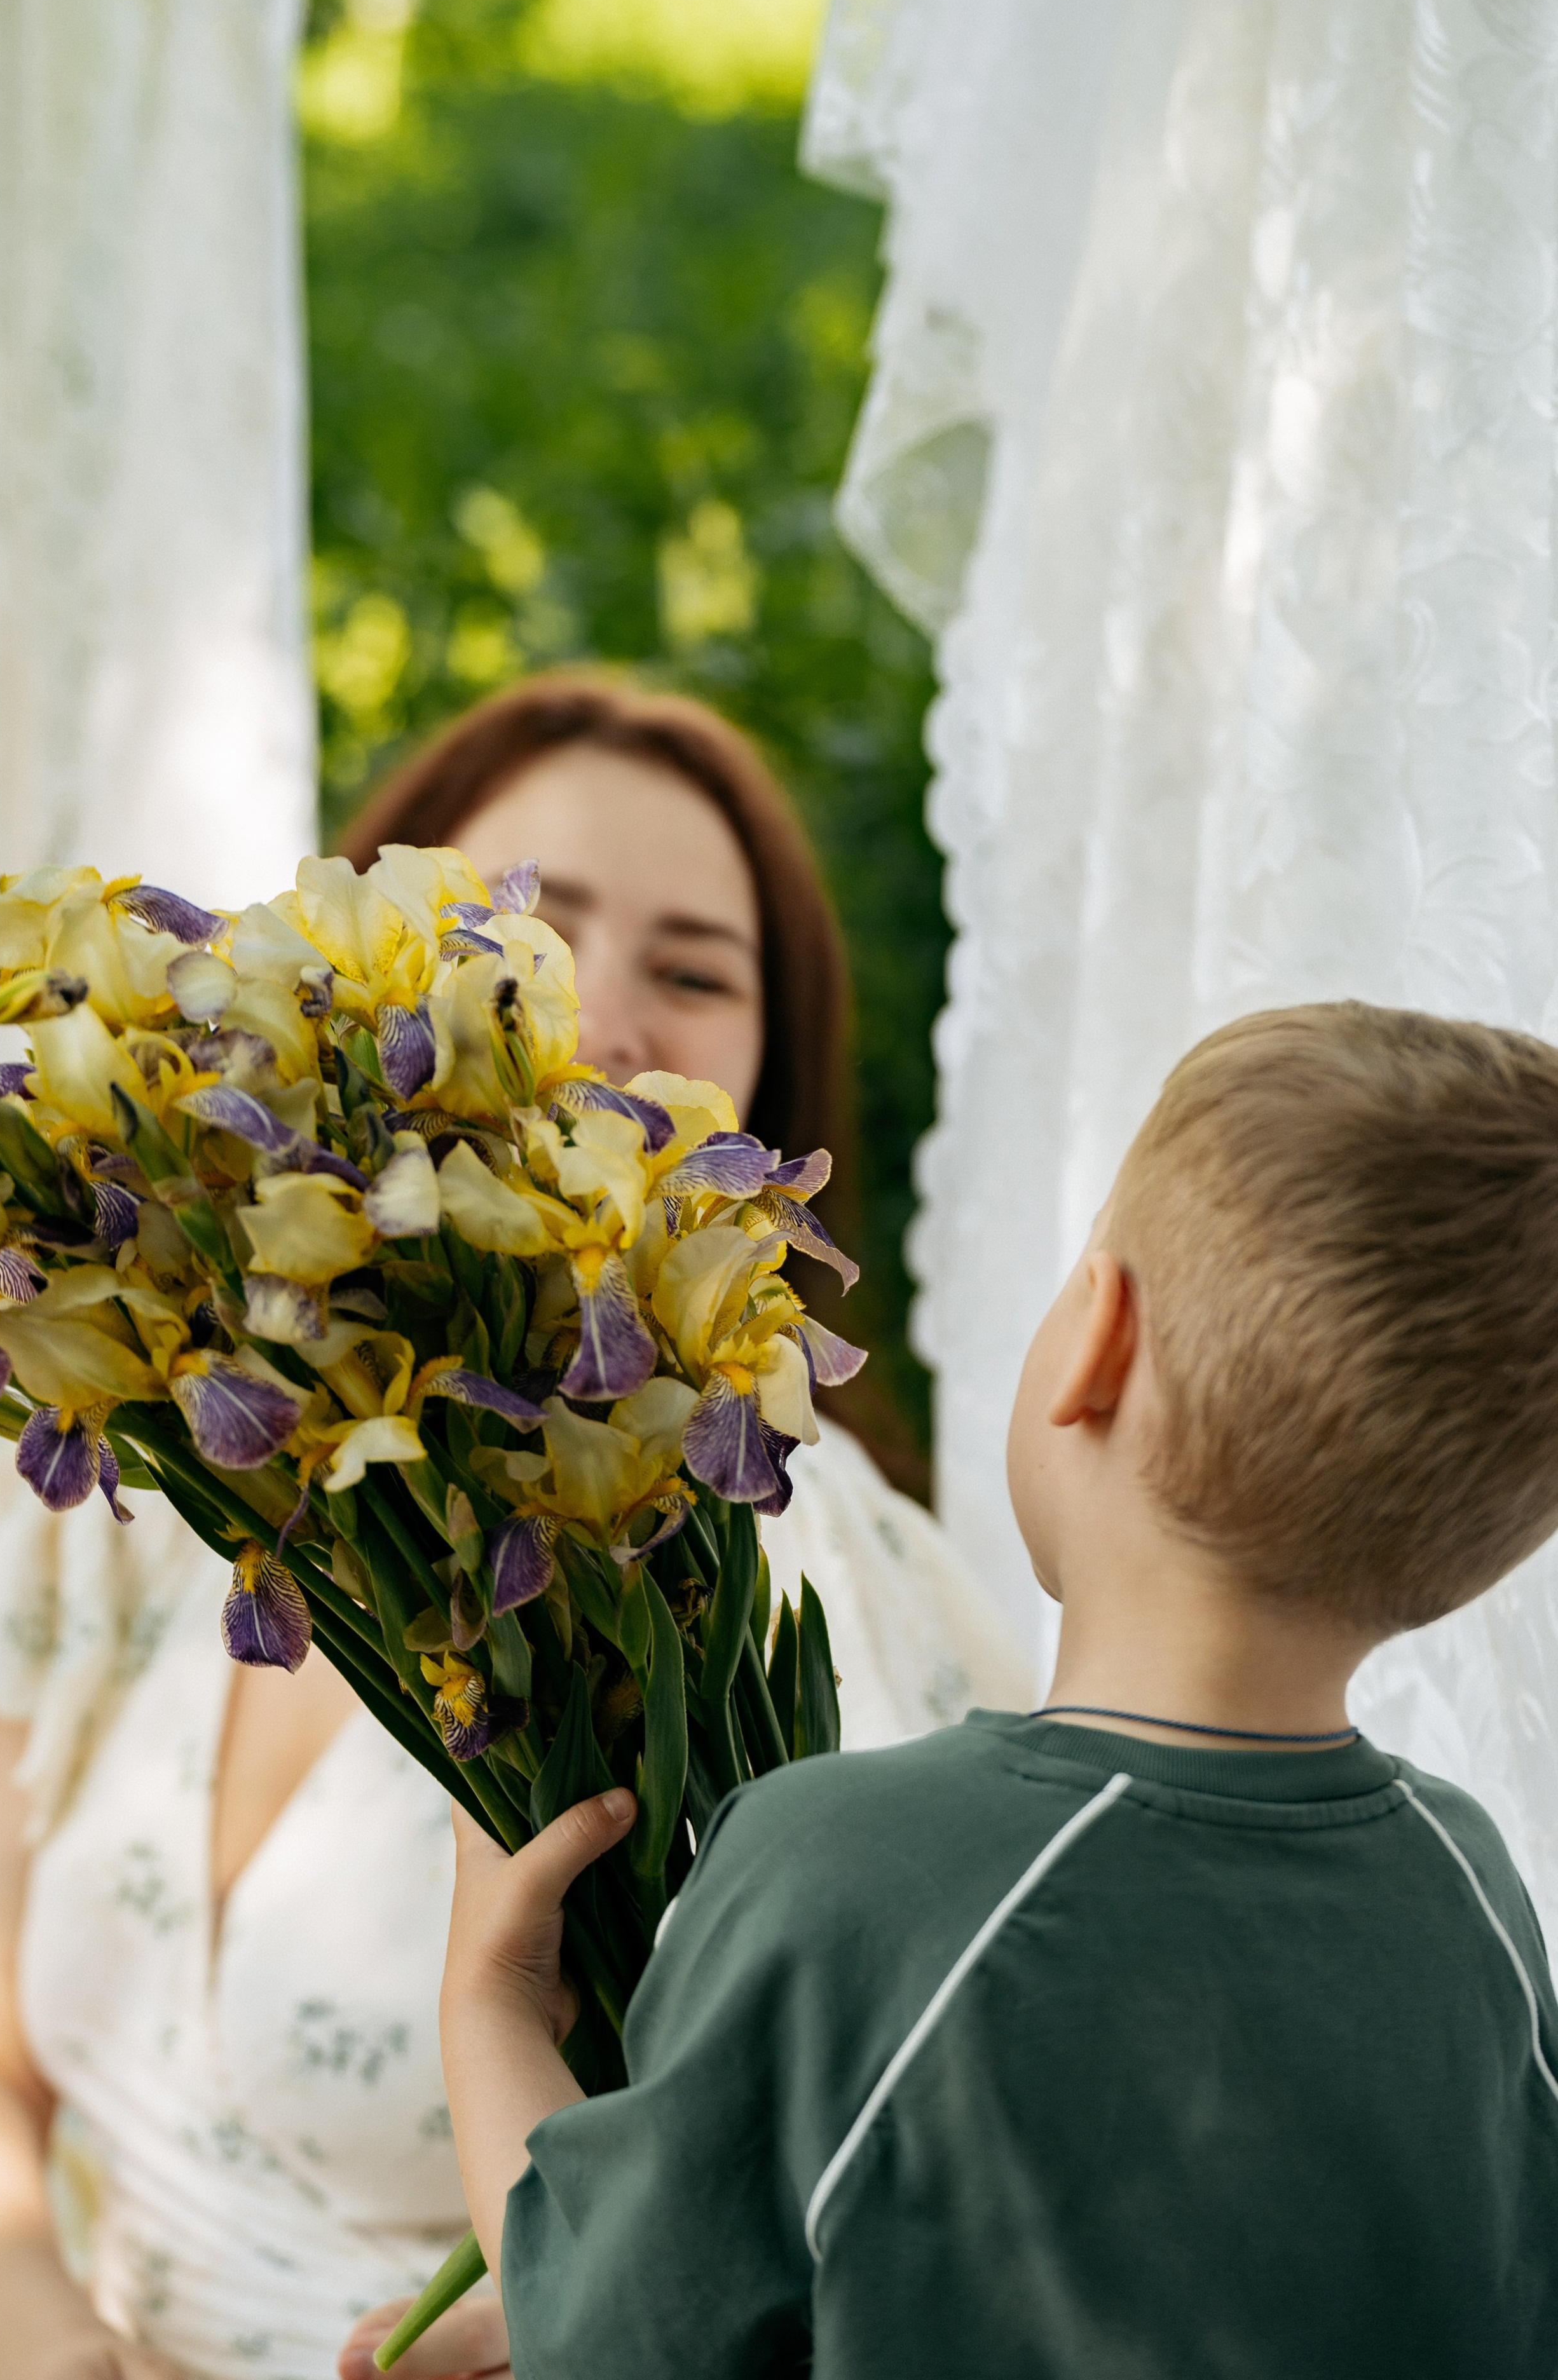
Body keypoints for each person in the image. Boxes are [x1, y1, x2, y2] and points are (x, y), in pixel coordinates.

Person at [0, 675, 1027, 2380]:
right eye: (525, 928)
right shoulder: (158, 1452)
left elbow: (836, 2218)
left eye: (698, 972)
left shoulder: (796, 1578)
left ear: (763, 1078)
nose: (592, 1010)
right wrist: (56, 2356)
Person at [435, 1002, 1558, 2378]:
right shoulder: (1472, 1894)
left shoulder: (843, 1872)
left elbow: (611, 2338)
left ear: (1096, 1339)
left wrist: (487, 1999)